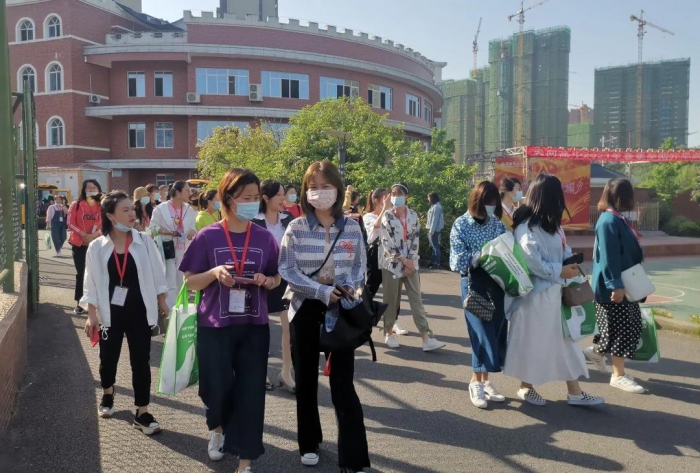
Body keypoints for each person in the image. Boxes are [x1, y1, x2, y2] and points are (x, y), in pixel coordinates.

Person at [181, 168, 280, 471]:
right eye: (245, 197)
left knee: (251, 390)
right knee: (216, 386)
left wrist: (268, 280)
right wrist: (213, 273)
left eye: (255, 197)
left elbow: (276, 277)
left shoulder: (264, 237)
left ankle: (245, 460)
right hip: (214, 325)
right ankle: (217, 428)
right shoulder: (207, 236)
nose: (252, 202)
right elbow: (190, 281)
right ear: (227, 199)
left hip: (253, 325)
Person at [278, 161, 370, 472]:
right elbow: (287, 269)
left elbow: (359, 266)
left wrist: (350, 286)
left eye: (325, 186)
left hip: (341, 308)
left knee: (343, 383)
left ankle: (353, 457)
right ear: (306, 191)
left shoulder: (352, 227)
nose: (319, 192)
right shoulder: (296, 227)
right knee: (306, 380)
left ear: (338, 189)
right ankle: (309, 442)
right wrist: (319, 290)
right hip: (305, 307)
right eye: (313, 187)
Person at [504, 174, 605, 407]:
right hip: (534, 297)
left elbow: (563, 248)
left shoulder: (551, 225)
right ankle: (526, 387)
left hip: (554, 295)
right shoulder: (528, 226)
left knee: (566, 341)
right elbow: (531, 261)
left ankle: (575, 392)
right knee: (533, 342)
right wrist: (560, 270)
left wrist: (568, 262)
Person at [81, 190, 169, 434]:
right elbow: (90, 282)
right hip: (109, 314)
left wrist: (163, 302)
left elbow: (158, 274)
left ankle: (142, 411)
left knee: (141, 361)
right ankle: (108, 392)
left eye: (133, 209)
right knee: (108, 359)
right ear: (110, 216)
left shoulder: (145, 242)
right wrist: (91, 314)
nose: (132, 214)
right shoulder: (97, 247)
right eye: (126, 210)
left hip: (139, 312)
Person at [449, 181, 508, 409]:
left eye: (494, 202)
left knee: (494, 330)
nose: (491, 207)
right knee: (480, 331)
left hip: (497, 284)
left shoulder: (497, 224)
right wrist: (479, 257)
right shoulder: (461, 224)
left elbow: (507, 251)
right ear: (477, 201)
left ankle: (484, 381)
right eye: (487, 202)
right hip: (474, 283)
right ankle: (475, 381)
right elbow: (456, 260)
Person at [586, 178, 646, 393]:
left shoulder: (617, 219)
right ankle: (618, 375)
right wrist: (616, 285)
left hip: (624, 282)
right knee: (621, 329)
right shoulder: (609, 221)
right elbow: (609, 257)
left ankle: (596, 351)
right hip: (614, 285)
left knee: (624, 326)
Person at [379, 183, 446, 352]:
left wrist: (410, 261)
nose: (396, 197)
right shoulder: (387, 215)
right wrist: (403, 259)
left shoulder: (413, 215)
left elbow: (415, 239)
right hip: (392, 264)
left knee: (416, 300)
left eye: (399, 194)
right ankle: (389, 332)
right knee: (391, 300)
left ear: (407, 196)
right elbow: (386, 241)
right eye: (393, 194)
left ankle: (426, 337)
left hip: (411, 264)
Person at [252, 180, 296, 392]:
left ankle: (286, 373)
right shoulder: (253, 221)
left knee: (289, 328)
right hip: (261, 279)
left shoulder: (289, 219)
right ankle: (260, 372)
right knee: (260, 329)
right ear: (266, 197)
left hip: (287, 280)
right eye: (279, 194)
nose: (283, 198)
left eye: (283, 194)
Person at [151, 181, 196, 309]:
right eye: (186, 190)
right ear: (177, 192)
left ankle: (180, 308)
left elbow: (192, 226)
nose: (189, 193)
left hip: (183, 248)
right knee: (169, 280)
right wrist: (167, 232)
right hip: (167, 248)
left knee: (182, 279)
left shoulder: (188, 209)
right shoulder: (160, 209)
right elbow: (153, 228)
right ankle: (169, 310)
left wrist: (192, 231)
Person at [68, 179, 103, 314]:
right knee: (82, 273)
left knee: (97, 273)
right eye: (89, 187)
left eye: (94, 187)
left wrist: (93, 236)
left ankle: (96, 301)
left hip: (97, 243)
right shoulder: (76, 204)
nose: (91, 189)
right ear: (84, 189)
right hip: (79, 244)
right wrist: (83, 234)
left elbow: (105, 223)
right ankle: (80, 302)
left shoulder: (102, 205)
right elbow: (70, 222)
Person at [363, 188, 391, 299]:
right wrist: (385, 208)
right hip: (376, 253)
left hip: (390, 253)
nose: (388, 201)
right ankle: (363, 308)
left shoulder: (390, 215)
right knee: (372, 286)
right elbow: (377, 225)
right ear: (376, 200)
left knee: (391, 289)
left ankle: (391, 310)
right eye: (385, 198)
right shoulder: (368, 216)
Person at [426, 192, 445, 268]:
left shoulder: (437, 207)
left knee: (435, 246)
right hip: (432, 229)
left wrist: (431, 231)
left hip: (435, 230)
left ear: (433, 198)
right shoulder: (434, 206)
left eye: (429, 197)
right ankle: (433, 262)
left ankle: (436, 263)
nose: (428, 199)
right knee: (433, 246)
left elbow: (435, 220)